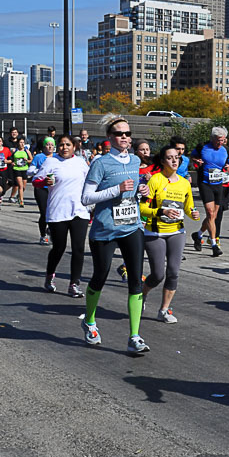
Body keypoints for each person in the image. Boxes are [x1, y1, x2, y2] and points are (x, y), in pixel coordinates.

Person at [80, 116, 151, 354]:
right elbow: (86, 198)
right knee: (100, 275)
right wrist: (115, 190)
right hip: (105, 228)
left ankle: (135, 336)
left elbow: (132, 192)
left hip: (131, 226)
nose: (125, 137)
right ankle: (89, 321)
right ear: (110, 138)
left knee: (136, 280)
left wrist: (141, 190)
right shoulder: (100, 163)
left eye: (128, 134)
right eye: (120, 133)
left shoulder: (134, 160)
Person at [141, 145, 200, 324]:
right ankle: (142, 295)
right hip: (155, 232)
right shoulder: (155, 181)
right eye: (170, 157)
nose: (174, 160)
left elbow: (188, 207)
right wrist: (161, 212)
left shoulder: (184, 183)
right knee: (158, 274)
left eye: (177, 157)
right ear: (162, 161)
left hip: (177, 232)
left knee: (173, 272)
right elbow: (143, 208)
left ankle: (164, 310)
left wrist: (194, 213)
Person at [33, 135, 90, 297]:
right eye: (61, 145)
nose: (64, 147)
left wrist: (92, 206)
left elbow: (90, 182)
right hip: (58, 210)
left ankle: (74, 284)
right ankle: (50, 275)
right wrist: (45, 182)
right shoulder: (51, 161)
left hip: (79, 210)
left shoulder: (80, 162)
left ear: (74, 147)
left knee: (78, 248)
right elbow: (36, 181)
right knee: (59, 247)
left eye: (68, 145)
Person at [191, 126, 229, 257]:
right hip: (205, 183)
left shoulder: (226, 150)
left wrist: (228, 167)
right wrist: (196, 161)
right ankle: (213, 244)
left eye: (222, 140)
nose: (220, 143)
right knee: (210, 213)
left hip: (219, 184)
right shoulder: (203, 147)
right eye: (218, 140)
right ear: (212, 138)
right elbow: (192, 157)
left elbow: (228, 164)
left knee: (213, 216)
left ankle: (198, 234)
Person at [28, 137, 56, 244]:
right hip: (41, 188)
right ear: (44, 146)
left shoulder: (57, 157)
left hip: (54, 188)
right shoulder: (39, 157)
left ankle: (51, 230)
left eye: (52, 145)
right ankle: (43, 235)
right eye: (47, 144)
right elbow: (29, 171)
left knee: (54, 212)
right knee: (44, 212)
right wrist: (40, 171)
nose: (50, 147)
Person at [10, 138, 30, 207]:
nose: (22, 144)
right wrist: (12, 163)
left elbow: (32, 160)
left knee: (23, 187)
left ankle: (19, 196)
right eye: (20, 142)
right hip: (17, 169)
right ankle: (21, 201)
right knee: (20, 186)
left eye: (23, 142)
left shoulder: (26, 151)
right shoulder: (15, 151)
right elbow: (11, 159)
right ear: (18, 143)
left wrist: (27, 160)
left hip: (24, 169)